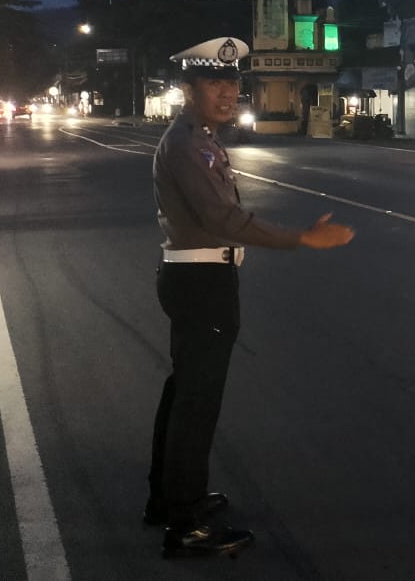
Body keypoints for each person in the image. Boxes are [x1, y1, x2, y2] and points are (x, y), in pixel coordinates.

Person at [147, 37, 355, 559]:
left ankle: (167, 499)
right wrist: (302, 238)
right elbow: (225, 221)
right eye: (213, 82)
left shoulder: (201, 138)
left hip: (195, 281)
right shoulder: (189, 145)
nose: (226, 91)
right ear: (189, 89)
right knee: (197, 403)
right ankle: (185, 524)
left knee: (183, 394)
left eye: (231, 81)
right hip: (202, 285)